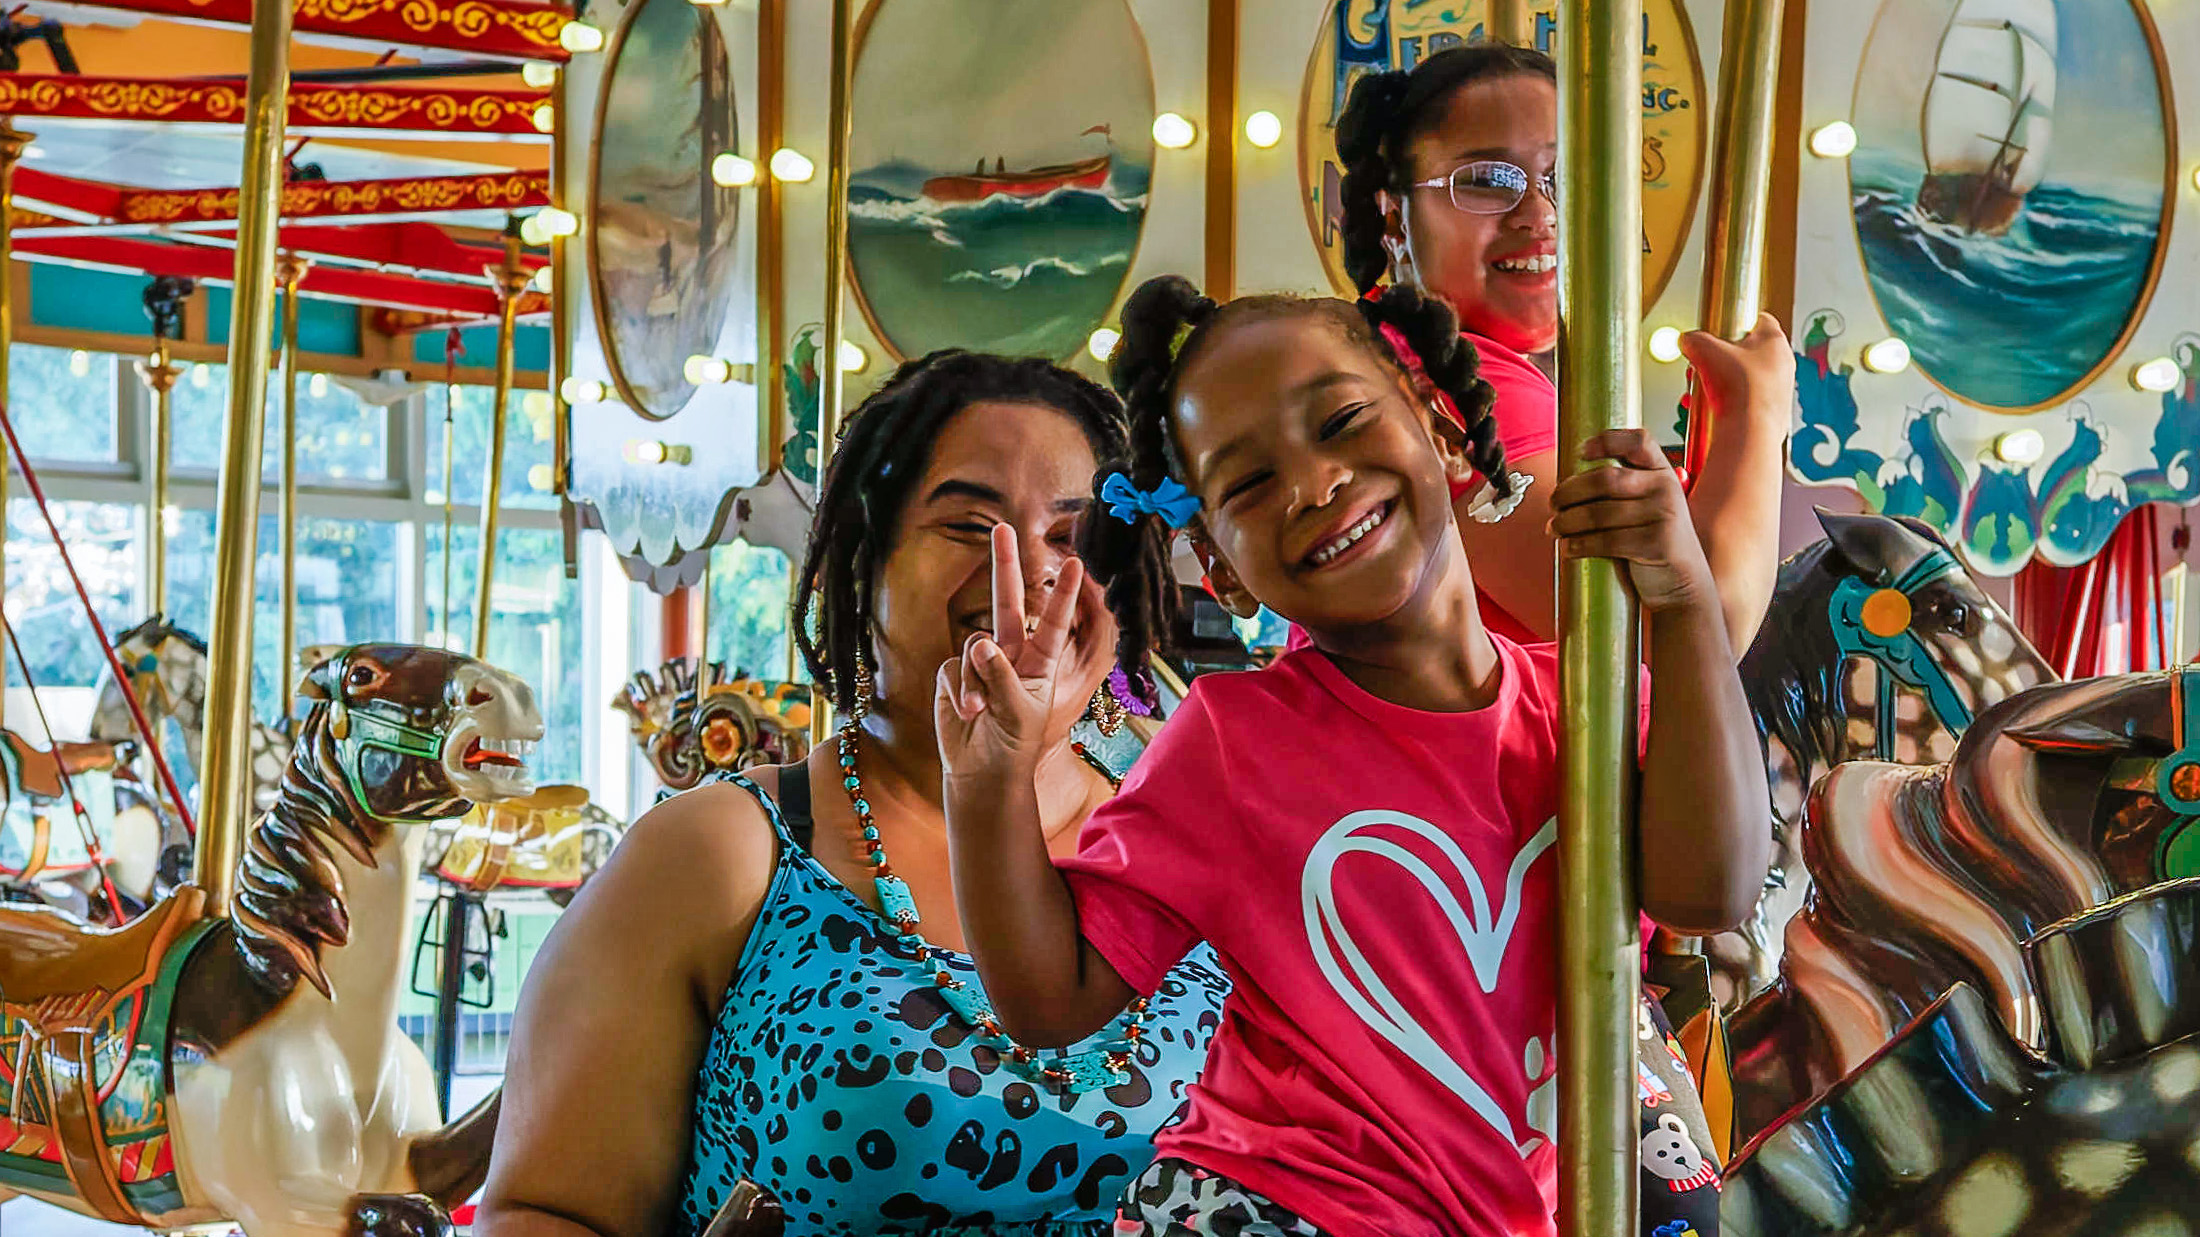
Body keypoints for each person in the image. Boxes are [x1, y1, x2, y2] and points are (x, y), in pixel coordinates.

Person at [931, 276, 1770, 1237]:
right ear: (1221, 563)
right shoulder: (1234, 742)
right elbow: (1051, 996)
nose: (1313, 483)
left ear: (1441, 430)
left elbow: (1713, 891)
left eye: (1341, 420)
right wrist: (987, 781)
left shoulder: (1585, 706)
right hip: (1280, 1207)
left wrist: (1687, 601)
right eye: (1249, 484)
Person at [476, 351, 1230, 1237]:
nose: (1023, 573)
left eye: (1071, 538)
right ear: (864, 563)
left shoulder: (1199, 829)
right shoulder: (723, 854)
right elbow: (542, 1210)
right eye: (967, 526)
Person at [1335, 43, 1791, 649]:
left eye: (1565, 180)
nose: (1540, 213)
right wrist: (1755, 419)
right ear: (1394, 218)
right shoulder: (1456, 386)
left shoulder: (1387, 357)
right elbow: (1679, 646)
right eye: (1490, 180)